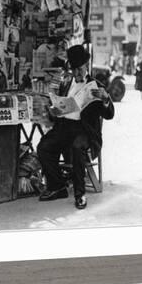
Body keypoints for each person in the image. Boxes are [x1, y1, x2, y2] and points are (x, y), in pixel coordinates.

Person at [37, 45, 115, 209]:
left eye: (80, 69)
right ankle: (58, 186)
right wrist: (55, 109)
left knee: (77, 147)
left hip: (84, 131)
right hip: (65, 126)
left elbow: (109, 115)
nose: (78, 73)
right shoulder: (66, 83)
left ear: (87, 65)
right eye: (75, 70)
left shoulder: (95, 86)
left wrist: (106, 99)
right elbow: (60, 107)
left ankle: (80, 195)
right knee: (43, 146)